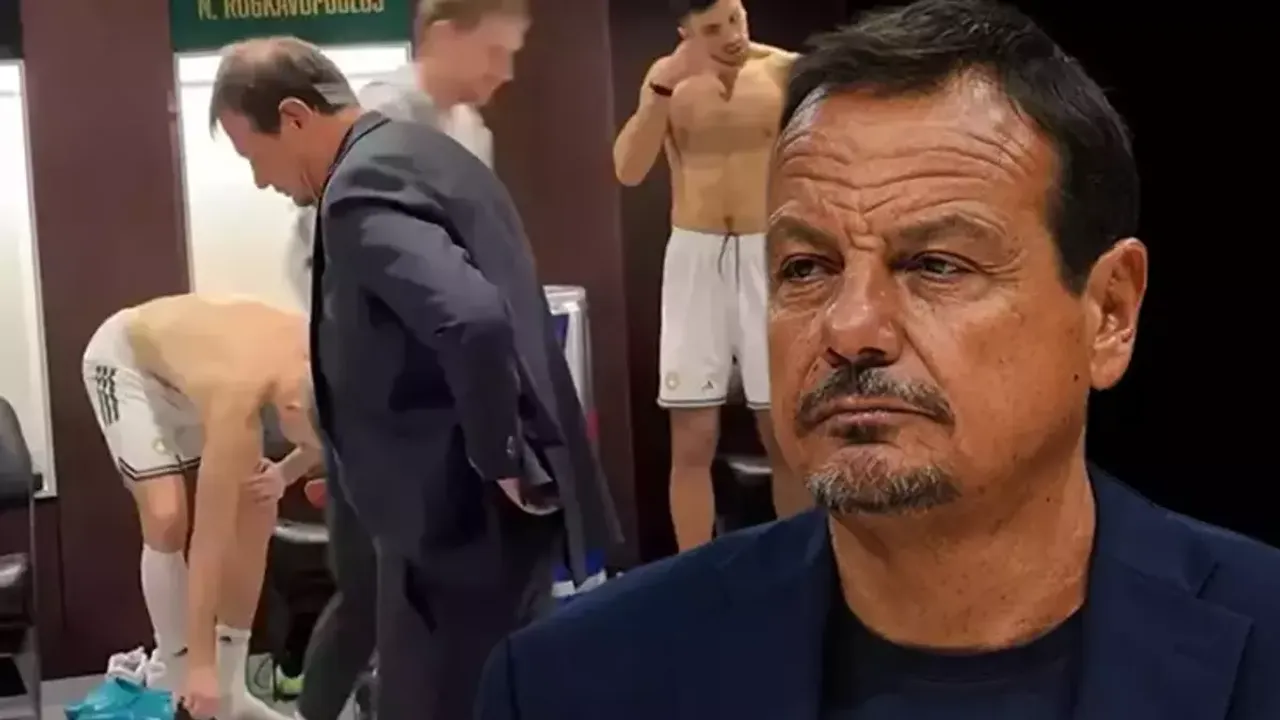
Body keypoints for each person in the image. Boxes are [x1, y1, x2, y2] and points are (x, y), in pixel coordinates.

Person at [475, 0, 1280, 717]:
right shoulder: (571, 686)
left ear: (1108, 313)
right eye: (806, 268)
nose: (851, 329)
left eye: (937, 265)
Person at [209, 36, 621, 720]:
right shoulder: (427, 154)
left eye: (254, 155)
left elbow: (471, 319)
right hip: (471, 522)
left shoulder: (356, 190)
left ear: (294, 117)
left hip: (454, 524)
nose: (260, 181)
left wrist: (499, 457)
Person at [282, 2, 528, 718]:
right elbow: (317, 255)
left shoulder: (470, 131)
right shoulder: (378, 121)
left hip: (441, 400)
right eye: (494, 52)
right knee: (378, 595)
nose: (505, 73)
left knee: (417, 598)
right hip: (376, 404)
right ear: (444, 35)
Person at [612, 0, 809, 551]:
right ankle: (693, 572)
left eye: (736, 19)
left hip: (766, 250)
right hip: (695, 255)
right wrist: (661, 90)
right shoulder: (666, 79)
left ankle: (802, 563)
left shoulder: (783, 71)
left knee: (783, 432)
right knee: (692, 439)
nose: (731, 36)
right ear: (687, 32)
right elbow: (627, 170)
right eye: (714, 28)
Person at [80, 294, 321, 720]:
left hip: (192, 380)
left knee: (257, 505)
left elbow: (325, 436)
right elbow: (209, 541)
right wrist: (200, 666)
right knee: (167, 515)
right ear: (290, 408)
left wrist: (284, 473)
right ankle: (178, 676)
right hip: (129, 364)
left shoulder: (328, 354)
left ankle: (231, 690)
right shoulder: (237, 400)